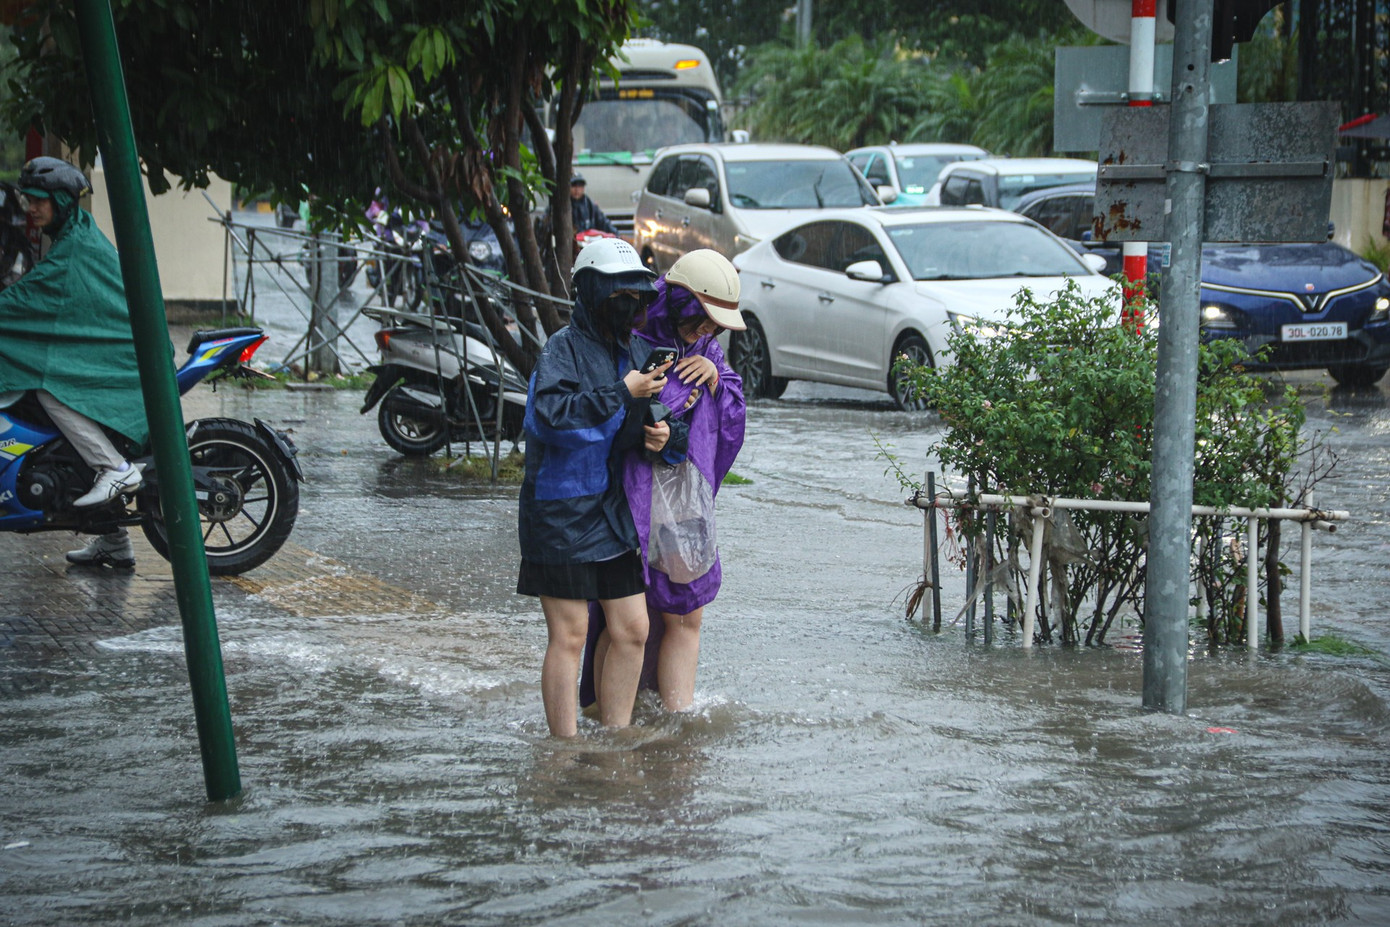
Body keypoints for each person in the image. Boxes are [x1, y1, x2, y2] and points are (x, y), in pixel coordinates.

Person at [516, 237, 680, 738]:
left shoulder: (636, 350)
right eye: (617, 296)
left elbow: (659, 423)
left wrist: (664, 437)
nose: (628, 305)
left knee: (633, 628)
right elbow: (550, 419)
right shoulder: (560, 350)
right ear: (590, 293)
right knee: (570, 635)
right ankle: (562, 750)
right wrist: (621, 392)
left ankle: (616, 737)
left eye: (635, 295)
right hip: (558, 512)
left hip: (612, 513)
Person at [582, 249, 746, 714]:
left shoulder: (705, 348)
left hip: (683, 503)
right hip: (627, 499)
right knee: (619, 619)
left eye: (715, 328)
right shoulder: (629, 332)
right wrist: (645, 428)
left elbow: (731, 412)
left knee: (686, 611)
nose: (708, 334)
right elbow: (605, 405)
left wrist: (716, 376)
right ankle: (605, 721)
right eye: (703, 322)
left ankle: (678, 718)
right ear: (680, 305)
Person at [0, 156, 148, 569]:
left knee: (49, 384)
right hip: (107, 348)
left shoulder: (75, 249)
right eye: (27, 199)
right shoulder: (71, 235)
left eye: (38, 200)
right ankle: (114, 543)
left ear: (62, 201)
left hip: (118, 355)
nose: (30, 207)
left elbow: (34, 298)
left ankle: (114, 466)